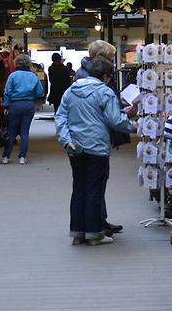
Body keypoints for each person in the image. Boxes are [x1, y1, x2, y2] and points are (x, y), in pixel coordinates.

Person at [55, 57, 132, 246]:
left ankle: (77, 233)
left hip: (75, 147)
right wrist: (134, 124)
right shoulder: (105, 92)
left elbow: (60, 117)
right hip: (97, 147)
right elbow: (115, 120)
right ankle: (94, 234)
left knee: (79, 189)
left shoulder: (71, 90)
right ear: (106, 76)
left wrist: (66, 140)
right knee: (95, 190)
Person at [73, 39, 125, 236]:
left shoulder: (77, 84)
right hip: (94, 140)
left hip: (80, 140)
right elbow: (107, 115)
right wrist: (130, 123)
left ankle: (86, 227)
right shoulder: (95, 82)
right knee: (95, 185)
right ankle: (94, 228)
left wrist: (66, 138)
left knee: (84, 186)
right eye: (110, 58)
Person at [1, 54, 44, 165]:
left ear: (16, 63)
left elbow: (7, 92)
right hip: (29, 105)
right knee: (25, 131)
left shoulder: (13, 76)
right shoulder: (33, 76)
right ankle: (22, 157)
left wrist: (6, 106)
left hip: (15, 105)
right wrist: (31, 95)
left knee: (12, 131)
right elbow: (40, 92)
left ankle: (6, 156)